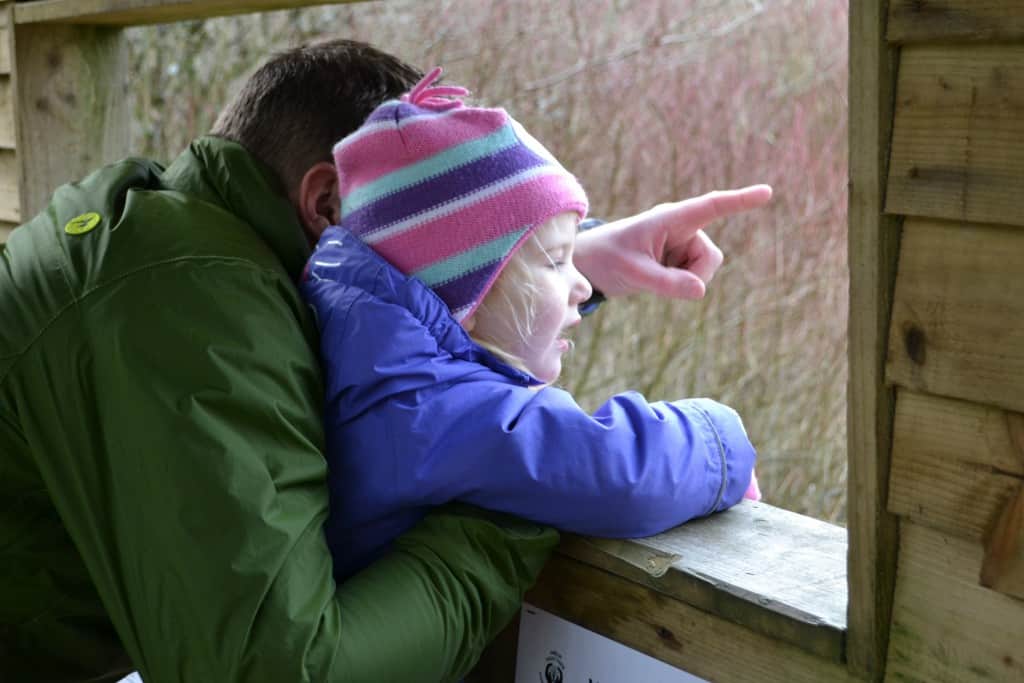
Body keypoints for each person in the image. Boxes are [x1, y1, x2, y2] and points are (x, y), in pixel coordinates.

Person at [0, 40, 769, 683]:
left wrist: (578, 259)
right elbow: (280, 671)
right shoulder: (201, 318)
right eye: (387, 199)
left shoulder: (173, 234)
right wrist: (496, 529)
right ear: (331, 205)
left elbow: (408, 295)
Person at [302, 68, 764, 581]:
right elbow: (618, 473)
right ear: (467, 295)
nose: (583, 286)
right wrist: (720, 444)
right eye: (557, 261)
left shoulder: (372, 358)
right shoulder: (433, 410)